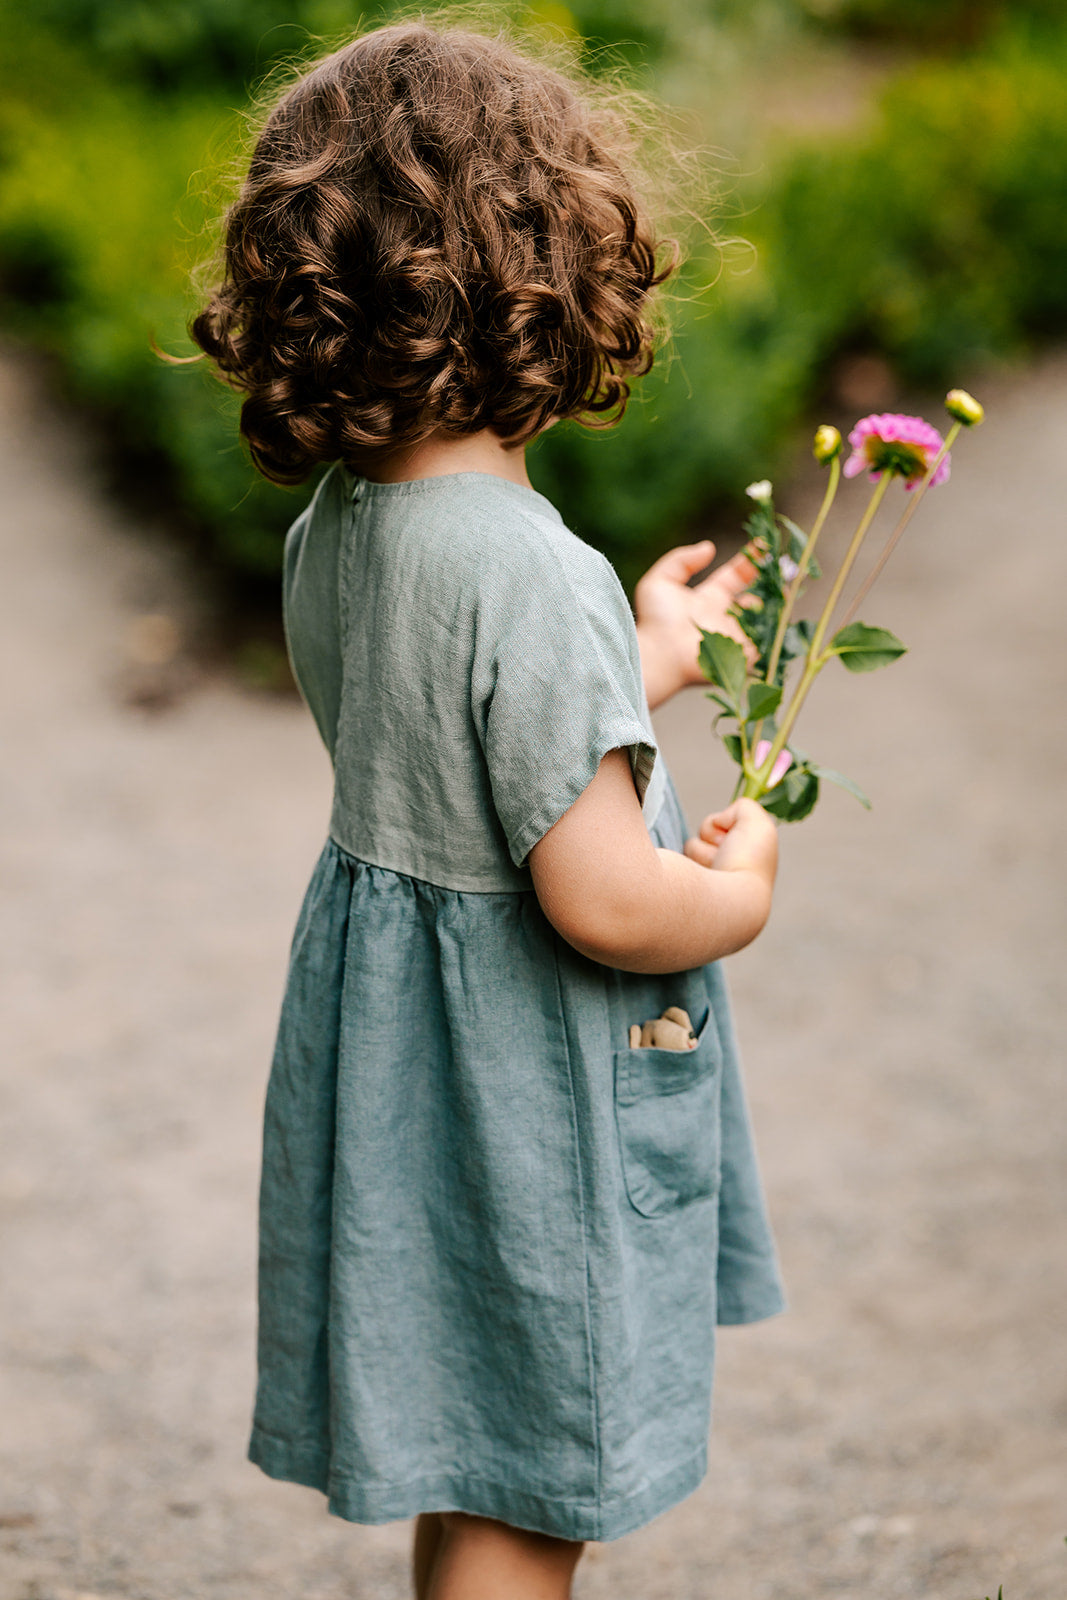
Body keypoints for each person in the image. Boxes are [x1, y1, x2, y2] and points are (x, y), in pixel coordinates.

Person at [190, 19, 785, 1599]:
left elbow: (447, 742)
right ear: (549, 275)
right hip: (521, 1091)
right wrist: (736, 892)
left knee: (476, 1442)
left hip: (401, 1070)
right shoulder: (531, 570)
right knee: (536, 1492)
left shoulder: (344, 524)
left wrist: (639, 661)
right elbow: (600, 895)